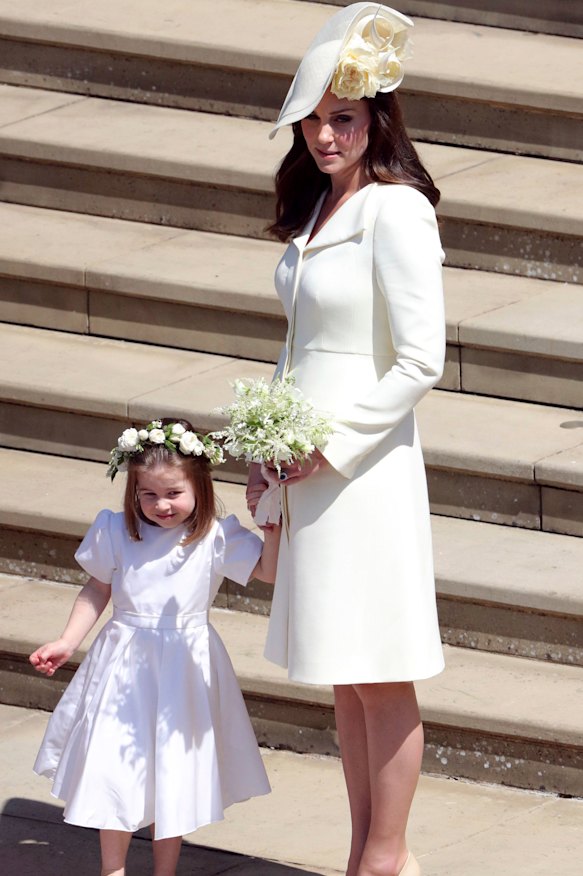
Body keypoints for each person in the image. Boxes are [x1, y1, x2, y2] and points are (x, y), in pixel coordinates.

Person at [246, 5, 445, 876]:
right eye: (315, 119)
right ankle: (365, 848)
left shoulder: (395, 213)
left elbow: (419, 361)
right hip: (305, 468)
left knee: (382, 667)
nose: (325, 136)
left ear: (376, 121)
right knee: (345, 672)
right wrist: (270, 439)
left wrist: (330, 444)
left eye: (344, 119)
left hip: (361, 472)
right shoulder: (323, 207)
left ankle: (387, 855)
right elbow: (301, 347)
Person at [31, 418, 279, 876]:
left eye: (174, 493)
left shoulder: (215, 537)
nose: (162, 505)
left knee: (173, 769)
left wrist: (274, 522)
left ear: (199, 488)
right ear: (133, 492)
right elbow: (97, 589)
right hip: (123, 662)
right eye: (149, 495)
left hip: (185, 666)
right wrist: (68, 640)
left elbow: (270, 570)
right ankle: (113, 868)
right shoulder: (116, 530)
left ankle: (165, 870)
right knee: (114, 765)